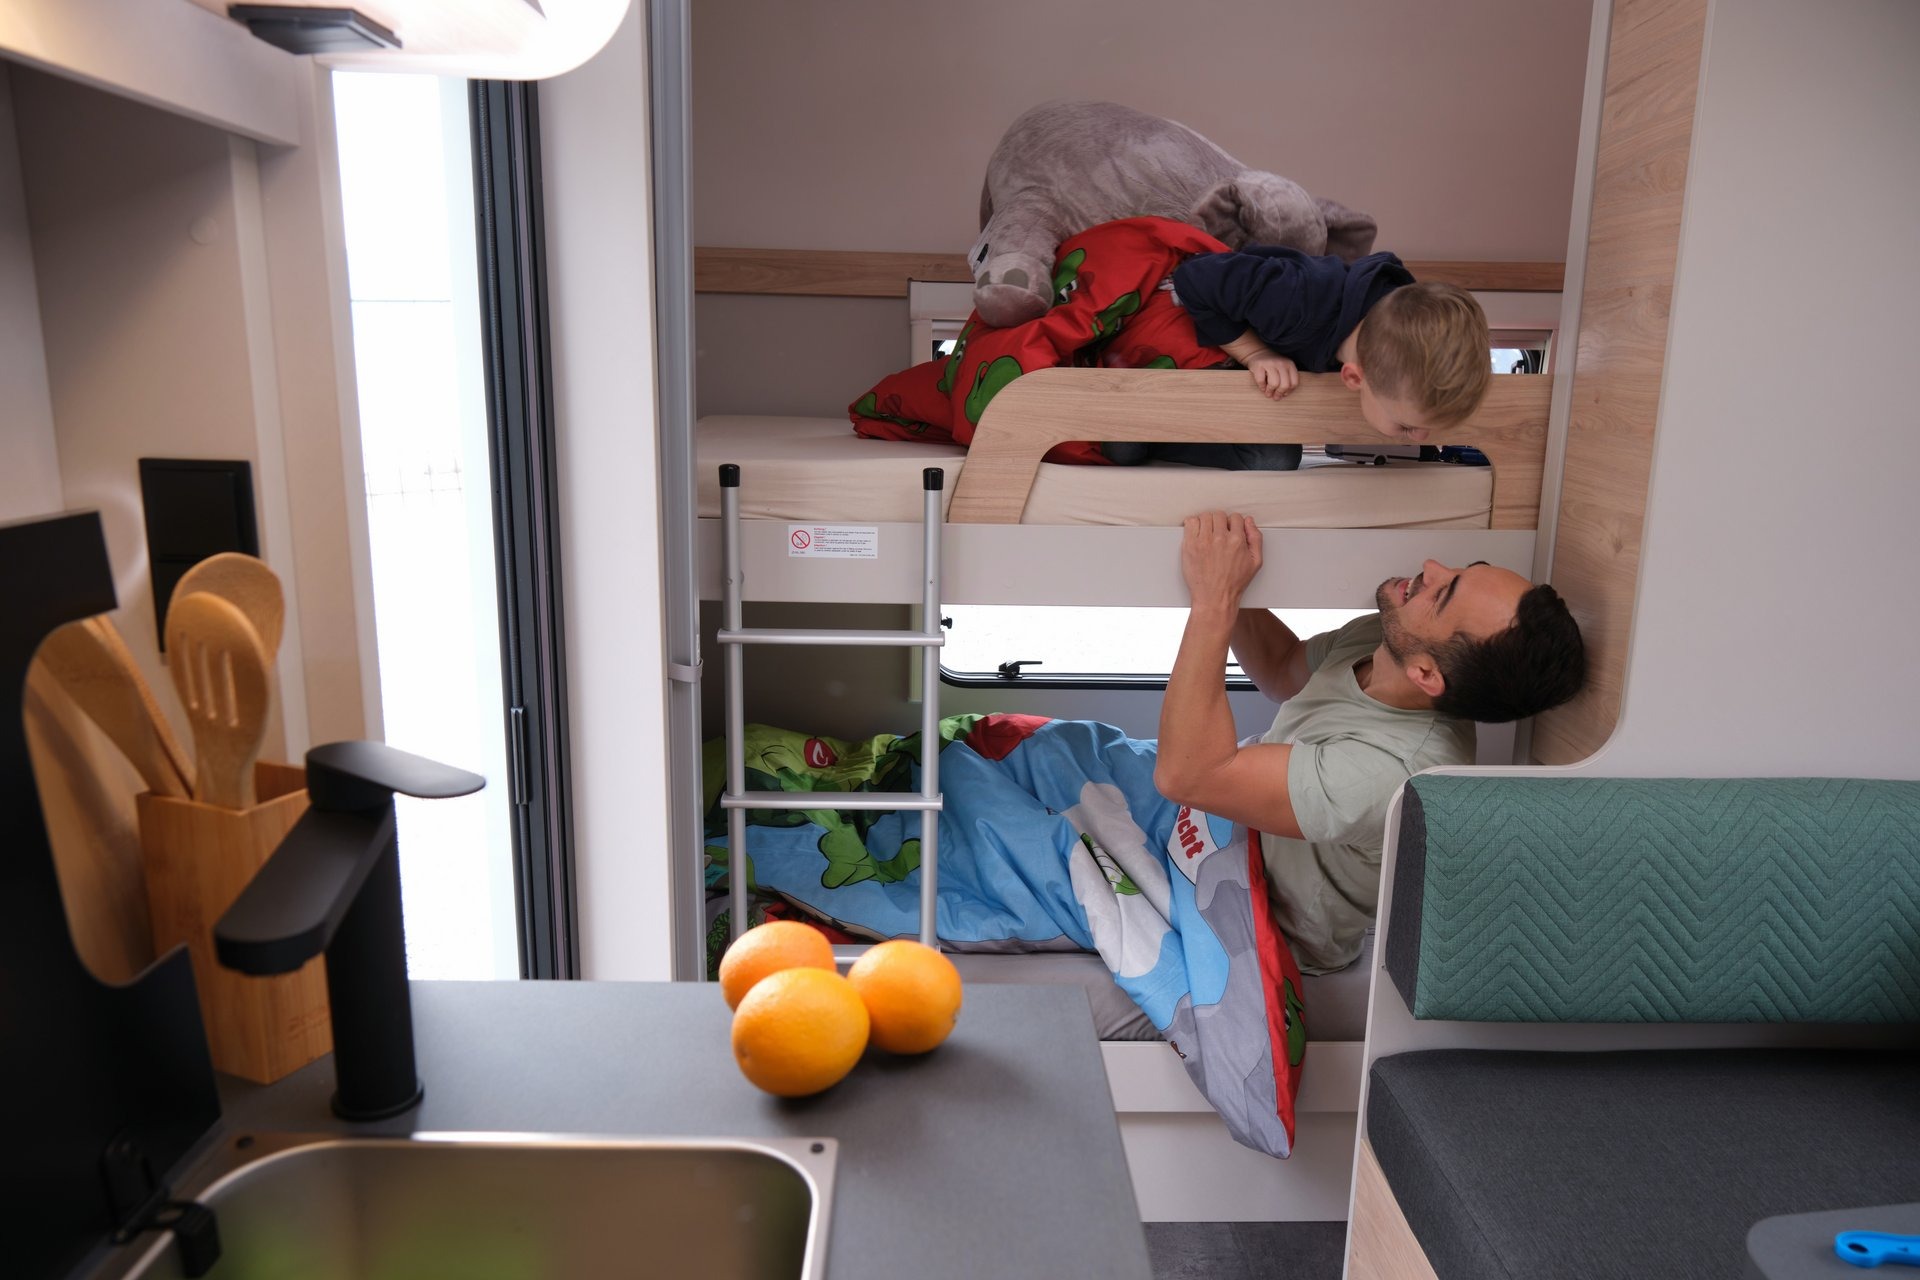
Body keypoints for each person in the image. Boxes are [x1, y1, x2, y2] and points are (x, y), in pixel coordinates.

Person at [1154, 511, 1585, 972]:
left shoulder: (1394, 773)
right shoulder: (1386, 640)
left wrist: (1214, 601)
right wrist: (1230, 574)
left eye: (1442, 594)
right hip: (1233, 834)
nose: (1432, 567)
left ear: (1426, 674)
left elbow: (1187, 776)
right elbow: (1281, 668)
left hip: (1263, 925)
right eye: (1462, 569)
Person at [1105, 249, 1491, 471]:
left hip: (1237, 373)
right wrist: (1255, 353)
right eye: (1407, 426)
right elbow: (1194, 278)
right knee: (1122, 448)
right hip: (1177, 326)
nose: (1423, 438)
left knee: (1276, 458)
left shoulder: (1399, 337)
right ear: (1353, 378)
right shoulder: (1294, 301)